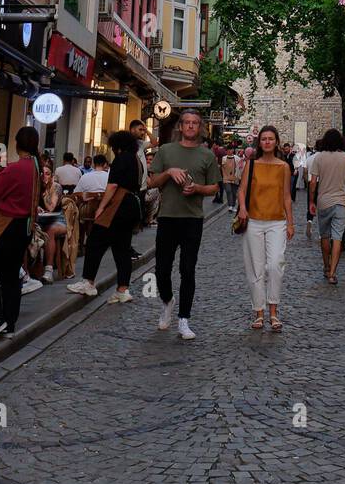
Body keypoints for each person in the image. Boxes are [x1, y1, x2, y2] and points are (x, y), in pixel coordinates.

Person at [147, 108, 221, 340]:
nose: (190, 126)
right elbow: (151, 182)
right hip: (167, 217)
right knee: (161, 269)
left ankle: (184, 319)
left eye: (194, 123)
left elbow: (214, 187)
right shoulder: (166, 151)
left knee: (187, 270)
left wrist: (197, 188)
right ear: (180, 126)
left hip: (192, 219)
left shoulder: (207, 155)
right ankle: (168, 301)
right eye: (186, 123)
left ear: (200, 128)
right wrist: (169, 172)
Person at [0, 127, 39, 345]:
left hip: (5, 225)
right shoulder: (36, 167)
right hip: (24, 227)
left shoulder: (14, 169)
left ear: (16, 143)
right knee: (11, 275)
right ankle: (9, 323)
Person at [68, 130, 144, 301]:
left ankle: (88, 282)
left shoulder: (121, 158)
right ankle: (122, 290)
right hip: (132, 205)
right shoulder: (136, 160)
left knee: (95, 241)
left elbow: (112, 186)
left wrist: (101, 207)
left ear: (117, 146)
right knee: (122, 248)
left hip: (119, 204)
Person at [236, 125, 292, 330]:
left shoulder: (284, 167)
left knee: (276, 264)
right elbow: (241, 190)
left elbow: (287, 196)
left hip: (277, 221)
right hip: (253, 222)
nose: (267, 142)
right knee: (255, 268)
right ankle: (259, 312)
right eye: (264, 139)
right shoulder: (251, 165)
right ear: (259, 142)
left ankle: (274, 310)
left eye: (270, 139)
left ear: (276, 142)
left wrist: (291, 222)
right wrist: (242, 208)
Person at [308, 128, 345, 286]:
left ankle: (326, 266)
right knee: (337, 237)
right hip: (340, 201)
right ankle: (332, 273)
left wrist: (311, 201)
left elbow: (312, 182)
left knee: (324, 236)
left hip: (323, 201)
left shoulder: (319, 157)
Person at [36, 160, 66, 282]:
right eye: (42, 174)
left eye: (48, 174)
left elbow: (51, 207)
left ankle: (48, 270)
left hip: (58, 220)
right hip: (40, 220)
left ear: (52, 175)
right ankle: (27, 270)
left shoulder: (56, 187)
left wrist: (44, 192)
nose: (45, 176)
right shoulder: (36, 186)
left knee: (50, 230)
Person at [221, 146, 241, 214]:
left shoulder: (237, 158)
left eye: (231, 149)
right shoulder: (224, 158)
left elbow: (239, 167)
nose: (230, 151)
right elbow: (222, 167)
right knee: (228, 191)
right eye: (228, 150)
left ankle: (233, 205)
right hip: (226, 177)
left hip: (235, 177)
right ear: (226, 151)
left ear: (233, 150)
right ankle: (230, 206)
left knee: (234, 192)